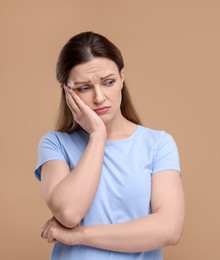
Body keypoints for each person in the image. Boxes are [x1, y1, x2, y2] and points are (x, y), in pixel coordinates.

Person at [35, 31, 185, 260]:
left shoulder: (158, 144)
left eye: (109, 82)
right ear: (67, 91)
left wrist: (79, 236)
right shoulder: (55, 144)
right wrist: (97, 135)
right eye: (84, 88)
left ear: (122, 78)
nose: (99, 97)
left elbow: (169, 229)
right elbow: (68, 213)